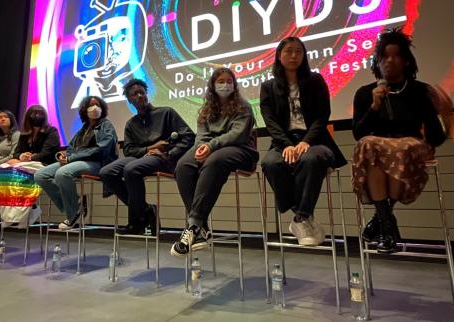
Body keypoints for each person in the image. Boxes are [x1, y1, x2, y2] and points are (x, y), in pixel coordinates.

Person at [352, 27, 446, 253]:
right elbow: (358, 133)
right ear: (377, 61)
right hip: (378, 152)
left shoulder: (420, 91)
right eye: (384, 56)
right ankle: (386, 226)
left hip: (410, 149)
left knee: (393, 150)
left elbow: (436, 136)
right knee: (369, 147)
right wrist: (374, 107)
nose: (389, 61)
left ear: (406, 61)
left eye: (396, 56)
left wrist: (442, 111)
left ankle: (381, 221)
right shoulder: (365, 94)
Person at [260, 37, 347, 246]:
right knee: (270, 163)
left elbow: (322, 115)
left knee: (312, 159)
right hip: (283, 142)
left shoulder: (315, 80)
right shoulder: (268, 87)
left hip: (315, 140)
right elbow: (270, 121)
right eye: (288, 51)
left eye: (298, 51)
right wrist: (287, 145)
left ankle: (300, 217)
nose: (294, 56)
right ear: (279, 56)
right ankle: (303, 216)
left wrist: (306, 141)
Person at [170, 68, 259, 257]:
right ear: (213, 85)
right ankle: (201, 229)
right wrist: (202, 148)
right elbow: (201, 137)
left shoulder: (243, 107)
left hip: (242, 150)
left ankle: (193, 224)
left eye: (229, 81)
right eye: (221, 81)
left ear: (234, 85)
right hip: (211, 150)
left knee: (214, 161)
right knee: (183, 166)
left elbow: (238, 134)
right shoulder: (206, 110)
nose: (225, 84)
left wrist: (211, 147)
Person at [99, 79, 195, 235]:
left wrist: (168, 153)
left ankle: (136, 223)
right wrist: (150, 148)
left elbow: (189, 137)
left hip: (163, 158)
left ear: (146, 94)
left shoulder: (166, 112)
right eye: (134, 94)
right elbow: (129, 150)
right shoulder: (131, 123)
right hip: (142, 156)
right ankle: (146, 210)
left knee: (131, 169)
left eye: (141, 92)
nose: (139, 96)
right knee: (106, 173)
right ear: (129, 100)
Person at [34, 96, 118, 230]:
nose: (95, 108)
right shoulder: (83, 130)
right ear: (85, 110)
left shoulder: (106, 125)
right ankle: (76, 205)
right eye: (91, 105)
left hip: (98, 163)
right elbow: (71, 148)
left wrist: (71, 158)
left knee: (62, 173)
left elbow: (102, 149)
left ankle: (72, 214)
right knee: (40, 175)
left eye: (98, 105)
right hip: (77, 161)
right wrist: (64, 155)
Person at [0, 105, 60, 227]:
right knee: (1, 170)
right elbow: (17, 152)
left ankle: (26, 211)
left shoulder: (51, 131)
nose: (36, 116)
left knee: (17, 170)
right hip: (27, 163)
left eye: (39, 113)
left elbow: (48, 153)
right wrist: (21, 156)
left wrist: (27, 158)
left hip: (44, 164)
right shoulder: (24, 135)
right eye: (33, 113)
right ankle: (10, 214)